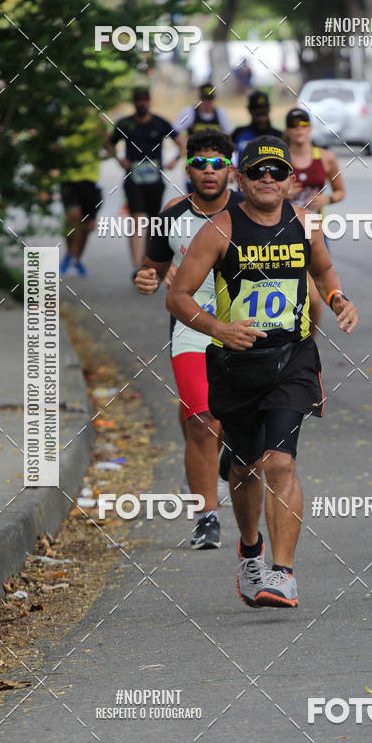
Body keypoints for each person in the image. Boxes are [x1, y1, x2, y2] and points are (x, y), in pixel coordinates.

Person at [166, 136, 358, 607]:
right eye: (257, 172)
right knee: (246, 467)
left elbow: (325, 269)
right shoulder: (218, 230)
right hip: (235, 364)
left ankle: (284, 572)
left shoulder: (305, 224)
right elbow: (178, 296)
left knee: (280, 461)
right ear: (240, 179)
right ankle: (250, 550)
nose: (267, 180)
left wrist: (337, 300)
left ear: (291, 180)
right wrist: (219, 329)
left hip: (292, 358)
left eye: (277, 172)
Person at [134, 129, 242, 550]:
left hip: (247, 332)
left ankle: (227, 450)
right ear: (188, 168)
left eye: (217, 164)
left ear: (231, 170)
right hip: (192, 329)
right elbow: (153, 267)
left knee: (234, 425)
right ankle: (207, 518)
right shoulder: (171, 215)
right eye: (200, 164)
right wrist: (145, 278)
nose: (209, 172)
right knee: (201, 422)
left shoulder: (250, 211)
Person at [105, 86, 184, 269]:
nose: (142, 103)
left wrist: (175, 160)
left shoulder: (159, 123)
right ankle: (137, 266)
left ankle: (149, 263)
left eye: (145, 99)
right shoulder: (125, 124)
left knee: (153, 223)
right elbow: (109, 144)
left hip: (155, 181)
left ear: (150, 101)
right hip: (134, 181)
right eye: (138, 99)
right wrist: (119, 159)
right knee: (137, 219)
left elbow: (181, 142)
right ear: (134, 102)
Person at [284, 106, 345, 335]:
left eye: (302, 125)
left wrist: (327, 198)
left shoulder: (325, 157)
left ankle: (309, 340)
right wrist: (284, 194)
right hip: (283, 231)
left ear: (309, 128)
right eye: (293, 125)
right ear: (287, 131)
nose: (298, 130)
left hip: (313, 231)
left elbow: (340, 192)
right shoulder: (281, 157)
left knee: (313, 295)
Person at [59, 115, 105, 276]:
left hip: (91, 180)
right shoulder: (65, 120)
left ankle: (77, 260)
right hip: (69, 178)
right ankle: (69, 254)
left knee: (88, 225)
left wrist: (102, 130)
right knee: (73, 217)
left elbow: (108, 147)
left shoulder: (98, 120)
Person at [231, 91, 283, 165]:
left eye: (264, 113)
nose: (261, 119)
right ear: (249, 111)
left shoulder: (279, 136)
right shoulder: (238, 133)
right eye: (257, 114)